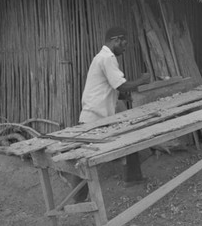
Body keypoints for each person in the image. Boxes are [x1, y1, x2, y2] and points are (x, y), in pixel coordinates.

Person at [64, 26, 151, 202]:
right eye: (124, 44)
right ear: (116, 40)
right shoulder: (107, 58)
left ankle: (133, 178)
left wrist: (124, 95)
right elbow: (120, 85)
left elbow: (111, 88)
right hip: (95, 118)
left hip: (101, 116)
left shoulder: (102, 58)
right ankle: (77, 199)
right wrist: (142, 80)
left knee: (129, 136)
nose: (125, 48)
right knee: (84, 158)